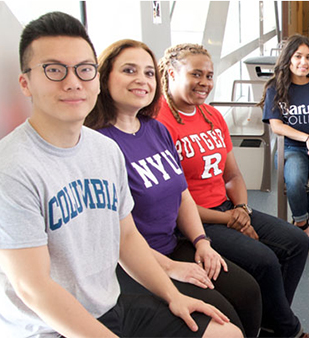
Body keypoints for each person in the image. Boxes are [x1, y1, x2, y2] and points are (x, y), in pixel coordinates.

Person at [0, 12, 240, 337]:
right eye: (54, 70)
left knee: (226, 332)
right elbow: (34, 290)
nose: (72, 82)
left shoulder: (104, 150)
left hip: (109, 306)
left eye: (84, 70)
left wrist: (174, 296)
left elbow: (126, 239)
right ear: (25, 83)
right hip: (48, 329)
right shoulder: (9, 172)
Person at [84, 39, 263, 338]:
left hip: (172, 245)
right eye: (129, 70)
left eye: (148, 73)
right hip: (135, 263)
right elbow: (113, 237)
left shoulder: (155, 130)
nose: (141, 79)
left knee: (248, 292)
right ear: (105, 78)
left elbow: (182, 194)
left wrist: (202, 242)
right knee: (224, 316)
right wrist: (169, 267)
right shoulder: (98, 145)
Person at [156, 43, 309, 338]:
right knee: (264, 260)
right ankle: (287, 329)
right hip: (193, 222)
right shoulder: (159, 123)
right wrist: (230, 220)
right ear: (172, 73)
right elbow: (176, 202)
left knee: (296, 243)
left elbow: (233, 175)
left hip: (228, 209)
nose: (205, 83)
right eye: (196, 74)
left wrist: (241, 209)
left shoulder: (211, 116)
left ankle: (271, 323)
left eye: (210, 76)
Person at [259, 34, 309, 239]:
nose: (304, 62)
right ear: (288, 59)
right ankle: (302, 225)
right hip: (291, 149)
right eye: (298, 56)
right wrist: (306, 138)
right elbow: (276, 126)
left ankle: (300, 222)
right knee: (294, 180)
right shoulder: (275, 88)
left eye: (308, 57)